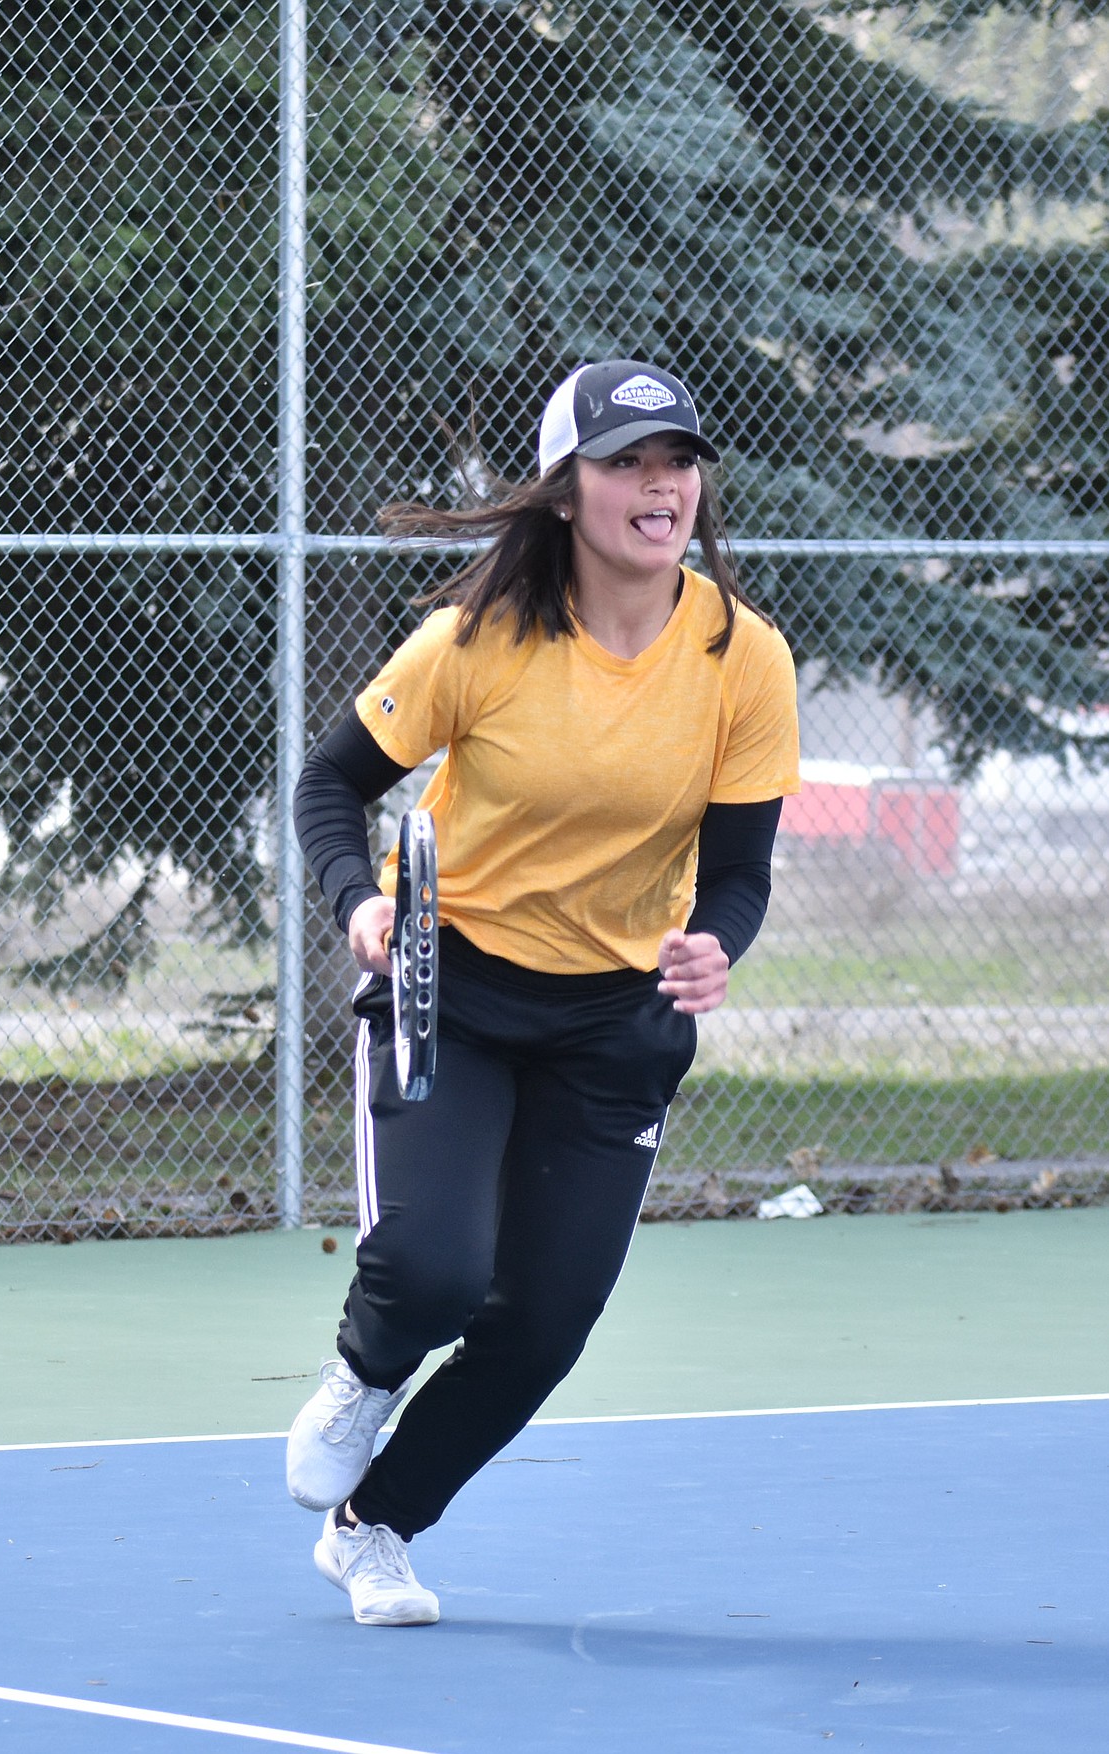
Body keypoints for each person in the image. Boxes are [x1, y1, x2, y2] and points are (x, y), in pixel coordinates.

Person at [288, 359, 800, 1626]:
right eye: (627, 461)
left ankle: (377, 1527)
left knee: (545, 1322)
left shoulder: (743, 656)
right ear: (568, 491)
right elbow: (328, 787)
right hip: (450, 988)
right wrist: (359, 896)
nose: (660, 484)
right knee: (436, 1270)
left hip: (616, 1018)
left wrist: (716, 945)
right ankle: (363, 1370)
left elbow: (738, 873)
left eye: (676, 459)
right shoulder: (476, 641)